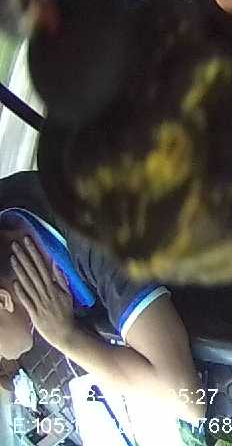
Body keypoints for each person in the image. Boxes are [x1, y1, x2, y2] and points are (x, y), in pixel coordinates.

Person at [0, 171, 205, 424]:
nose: (4, 362)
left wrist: (67, 337)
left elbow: (187, 401)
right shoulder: (15, 213)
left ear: (3, 301)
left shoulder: (94, 242)